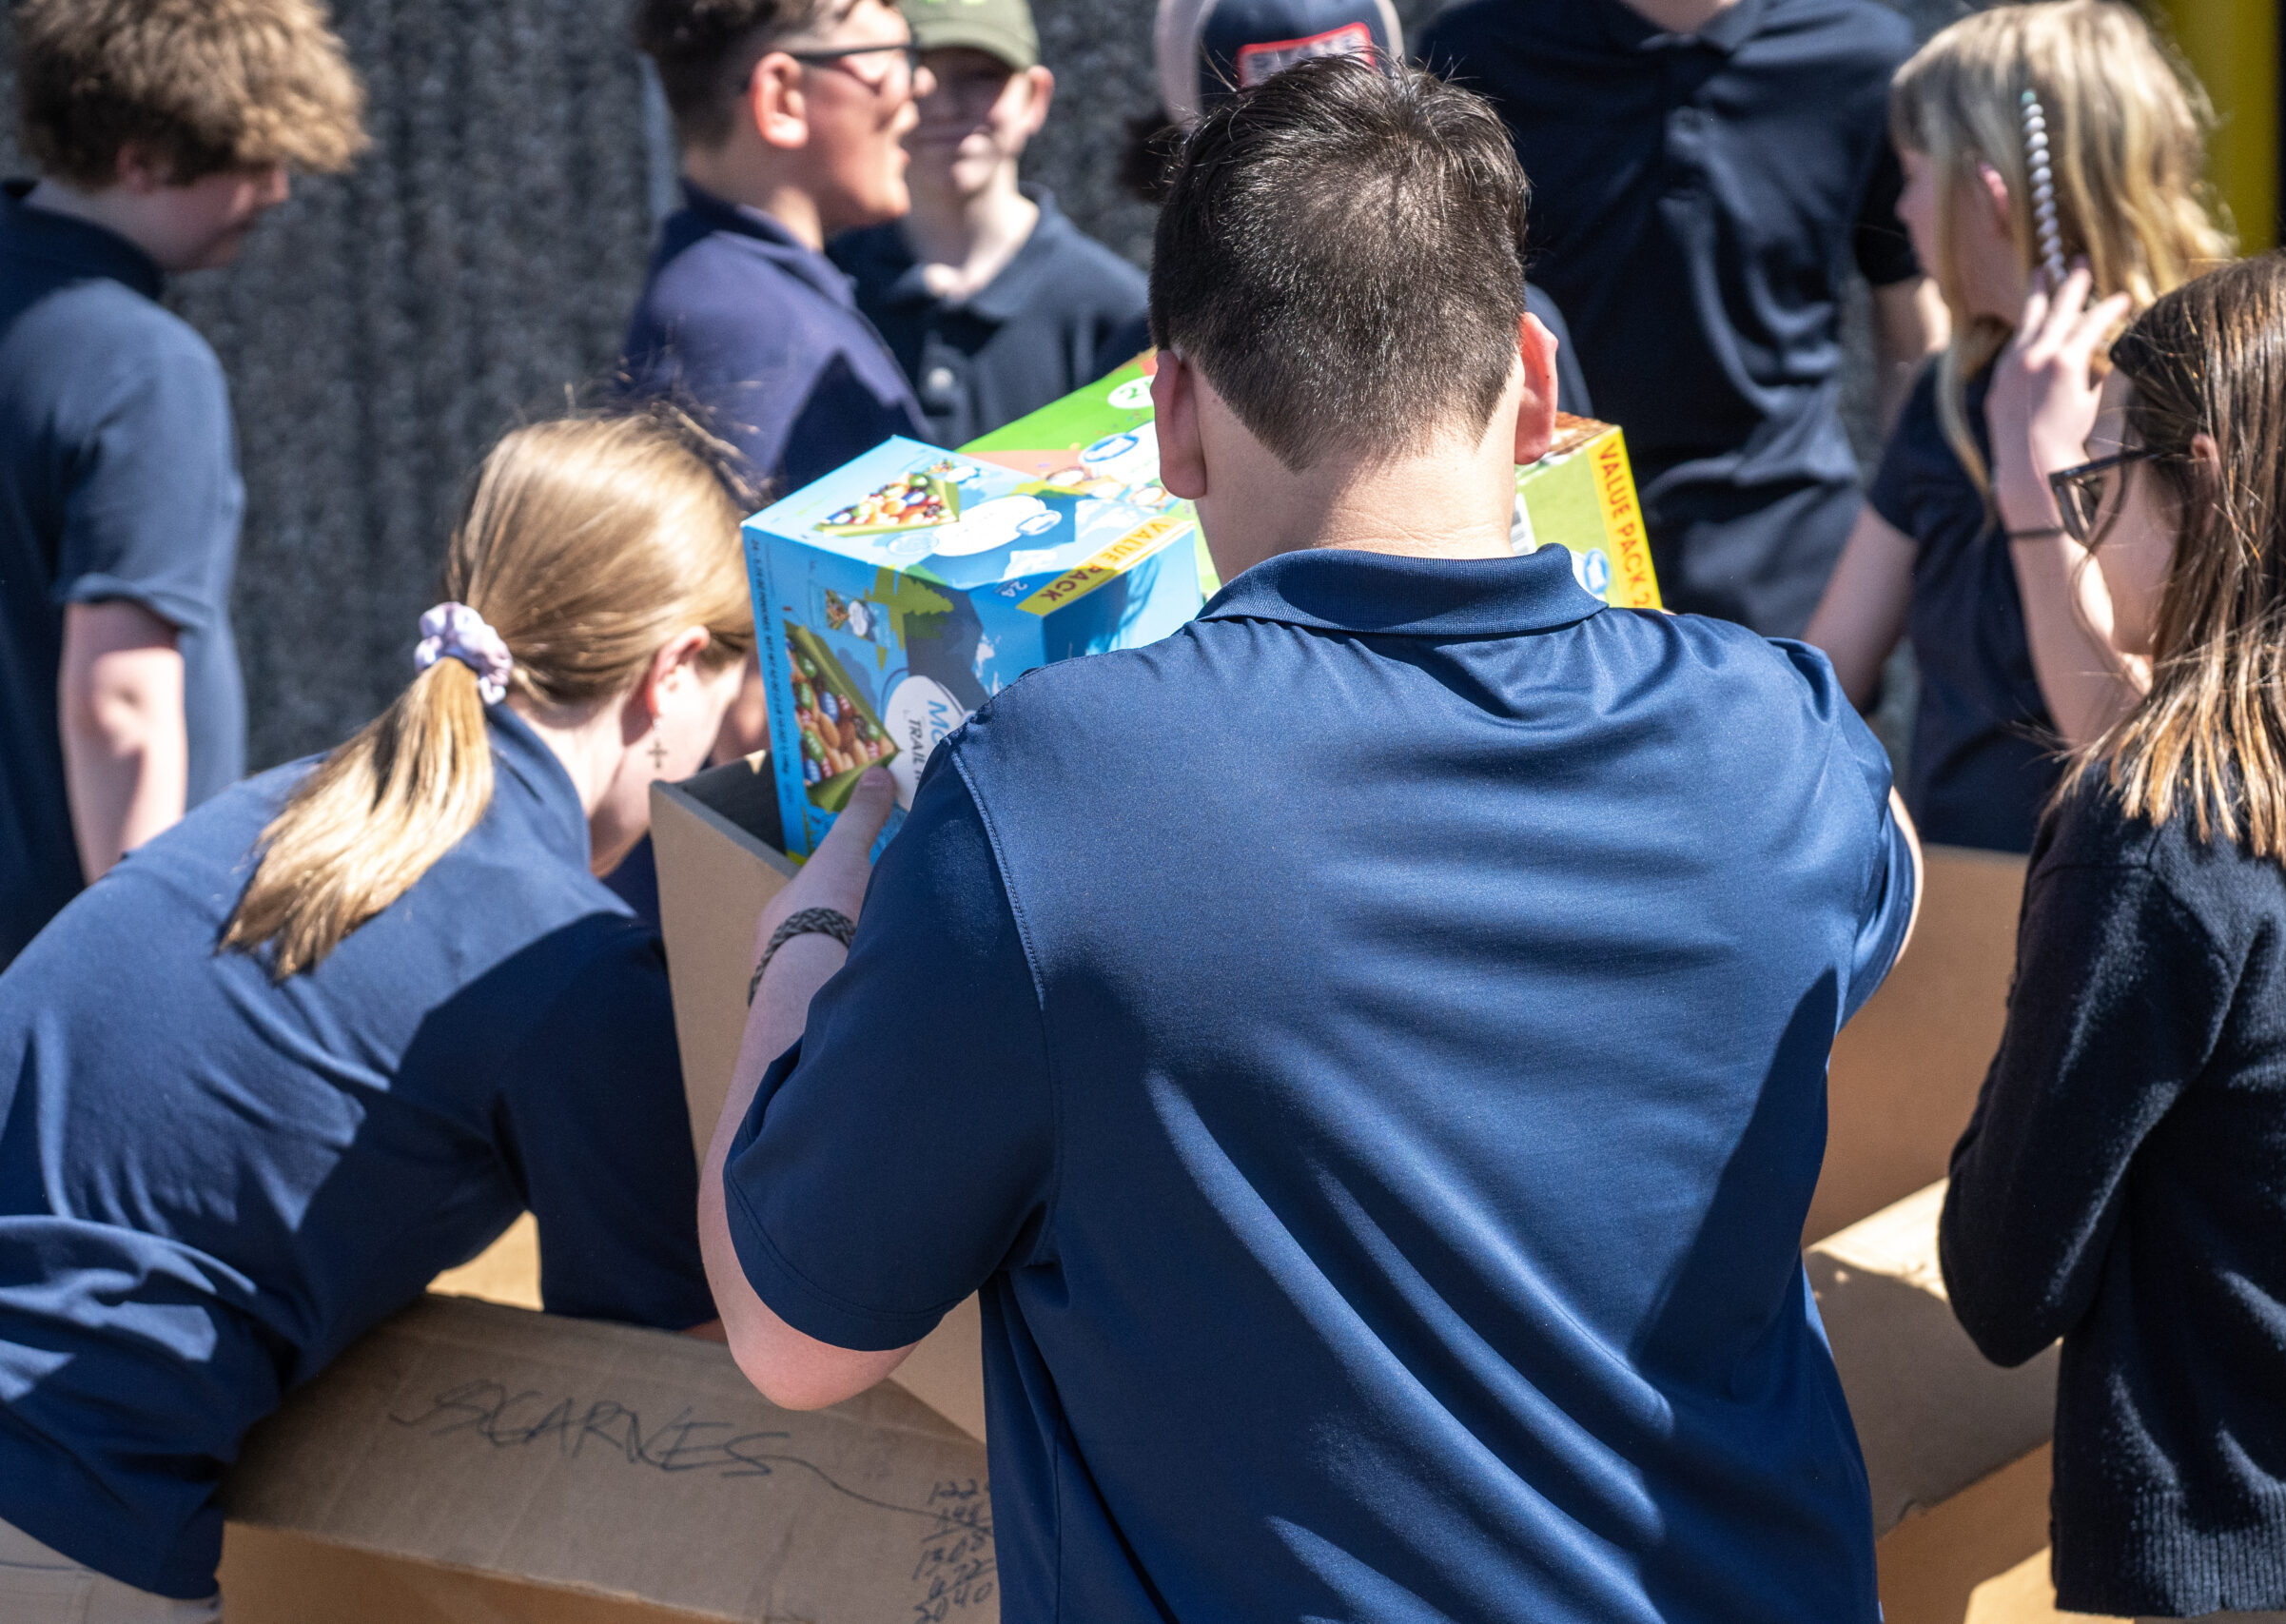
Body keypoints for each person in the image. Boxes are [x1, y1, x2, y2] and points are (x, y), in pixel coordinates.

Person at [704, 59, 1919, 1623]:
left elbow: (796, 1341)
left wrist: (803, 943)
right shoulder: (1778, 736)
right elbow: (1876, 860)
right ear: (1538, 391)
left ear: (1175, 420)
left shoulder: (1048, 800)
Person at [0, 408, 748, 1620]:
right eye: (727, 705)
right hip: (61, 1505)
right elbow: (679, 1377)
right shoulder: (571, 968)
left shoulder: (276, 813)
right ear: (668, 675)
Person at [1941, 255, 2286, 1620]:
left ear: (2204, 483)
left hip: (2256, 1564)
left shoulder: (2155, 823)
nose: (2086, 535)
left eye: (2096, 485)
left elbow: (2002, 1278)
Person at [1802, 0, 2228, 852]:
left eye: (1916, 174)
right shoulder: (1952, 394)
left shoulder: (2186, 396)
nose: (1906, 208)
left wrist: (2038, 475)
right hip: (1959, 896)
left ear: (1989, 195)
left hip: (2108, 902)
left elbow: (2128, 747)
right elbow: (1830, 664)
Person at [0, 0, 363, 969]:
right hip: (57, 957)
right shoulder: (141, 368)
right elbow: (119, 699)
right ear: (141, 159)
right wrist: (139, 967)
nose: (278, 190)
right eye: (249, 159)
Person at [1419, 0, 1945, 636]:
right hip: (1549, 550)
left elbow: (1915, 332)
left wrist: (1904, 558)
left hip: (1790, 572)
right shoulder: (1478, 51)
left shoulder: (1865, 57)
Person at [1126, 0, 1594, 416]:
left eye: (1361, 142)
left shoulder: (1517, 324)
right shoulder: (1135, 368)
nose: (1319, 186)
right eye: (1261, 159)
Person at [623, 0, 934, 496]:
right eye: (894, 57)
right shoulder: (750, 337)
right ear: (782, 98)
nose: (922, 84)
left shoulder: (733, 294)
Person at [829, 0, 1149, 444]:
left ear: (1034, 97)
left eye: (981, 76)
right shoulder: (827, 290)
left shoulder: (1116, 312)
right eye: (915, 75)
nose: (944, 107)